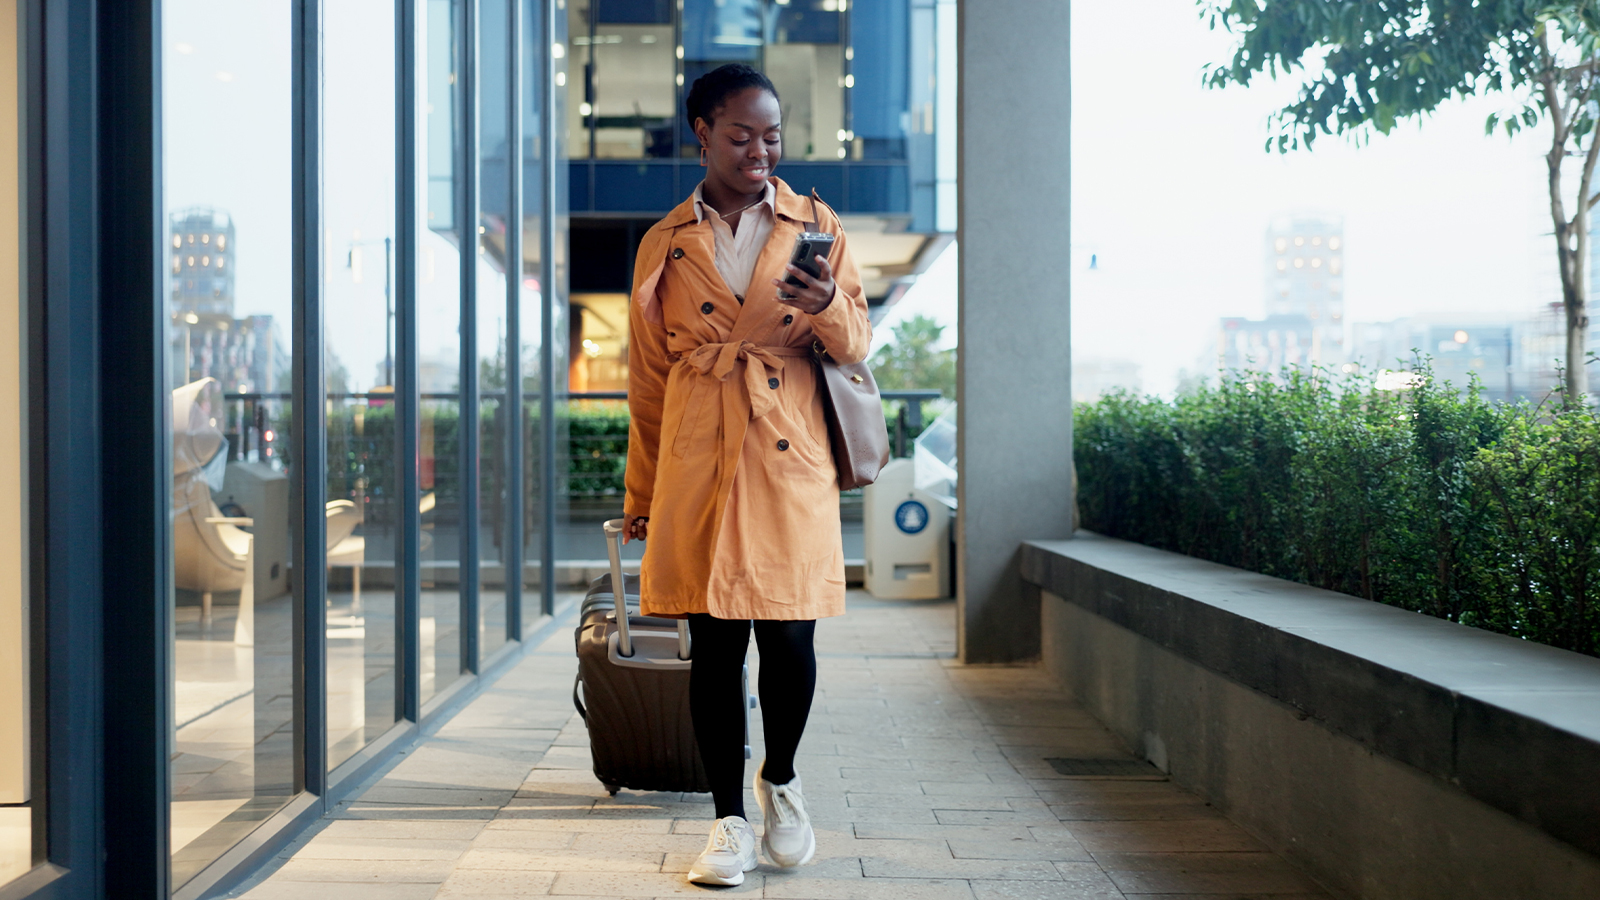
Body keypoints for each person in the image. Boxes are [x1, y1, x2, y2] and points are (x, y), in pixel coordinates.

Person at [620, 63, 871, 886]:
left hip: (786, 447)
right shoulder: (665, 240)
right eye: (740, 134)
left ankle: (783, 783)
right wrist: (641, 494)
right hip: (699, 451)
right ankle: (727, 820)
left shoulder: (815, 220)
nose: (759, 150)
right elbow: (649, 381)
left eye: (771, 134)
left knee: (790, 632)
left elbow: (856, 344)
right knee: (715, 643)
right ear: (702, 132)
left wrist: (829, 297)